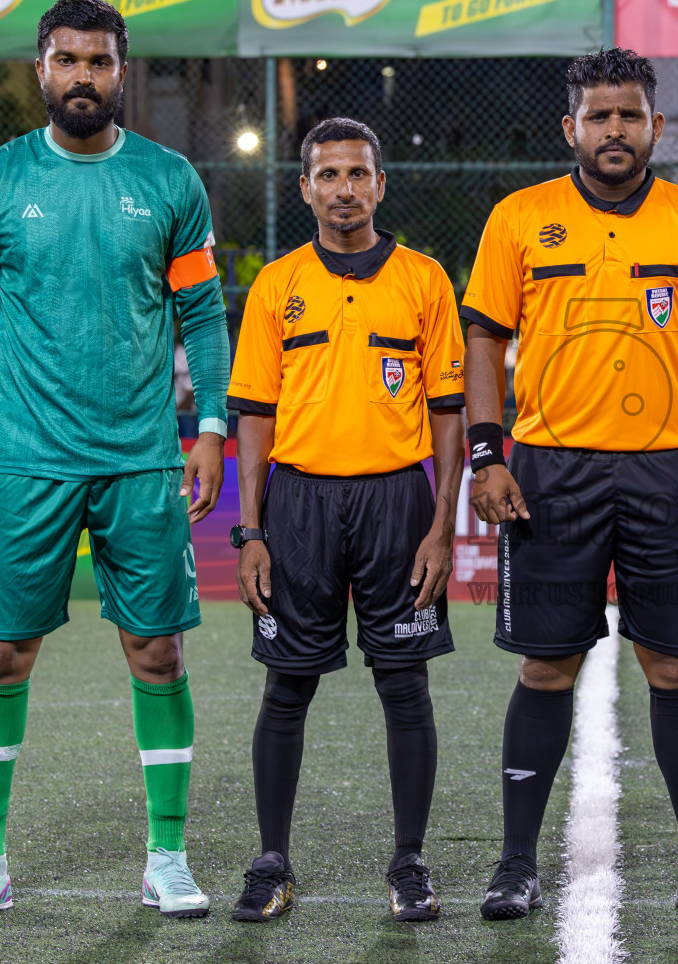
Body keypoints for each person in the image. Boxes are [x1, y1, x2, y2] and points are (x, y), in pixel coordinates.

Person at [0, 0, 230, 923]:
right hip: (27, 459)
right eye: (67, 61)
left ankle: (166, 857)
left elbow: (205, 317)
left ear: (121, 70)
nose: (83, 77)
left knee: (157, 651)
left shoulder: (171, 180)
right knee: (3, 655)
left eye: (100, 61)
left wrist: (209, 427)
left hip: (140, 459)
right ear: (42, 68)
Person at [460, 48, 678, 924]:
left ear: (655, 126)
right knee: (547, 669)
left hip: (672, 472)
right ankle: (517, 861)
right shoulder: (521, 218)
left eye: (630, 115)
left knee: (673, 667)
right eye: (600, 116)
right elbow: (483, 339)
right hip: (551, 471)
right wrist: (487, 454)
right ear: (572, 129)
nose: (616, 130)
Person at [225, 118, 466, 923]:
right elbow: (254, 415)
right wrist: (251, 531)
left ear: (380, 183)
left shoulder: (425, 280)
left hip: (398, 501)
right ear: (304, 188)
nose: (344, 189)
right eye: (327, 176)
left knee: (405, 683)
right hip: (299, 505)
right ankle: (271, 862)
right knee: (286, 685)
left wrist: (441, 526)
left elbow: (448, 415)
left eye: (358, 174)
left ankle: (409, 863)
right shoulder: (277, 285)